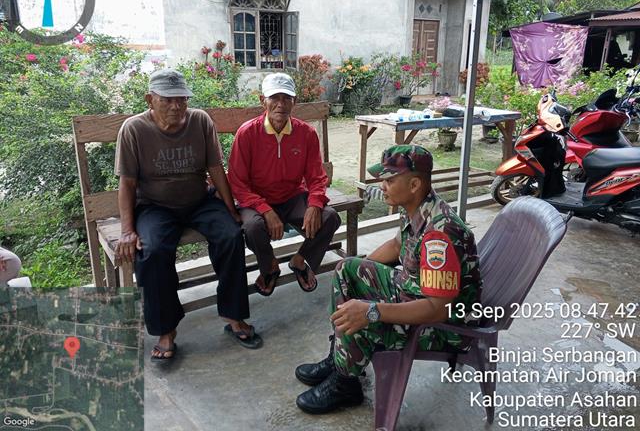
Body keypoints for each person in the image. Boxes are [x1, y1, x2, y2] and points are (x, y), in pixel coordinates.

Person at [294, 145, 482, 414]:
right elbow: (397, 245)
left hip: (444, 328)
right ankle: (341, 359)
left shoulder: (439, 235)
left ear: (414, 184)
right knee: (347, 270)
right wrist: (358, 275)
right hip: (414, 292)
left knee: (362, 314)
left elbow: (438, 309)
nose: (382, 186)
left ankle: (345, 384)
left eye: (390, 180)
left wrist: (373, 310)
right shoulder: (416, 206)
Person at [115, 69, 261, 359]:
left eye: (181, 99)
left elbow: (216, 169)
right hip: (155, 206)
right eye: (167, 100)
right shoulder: (133, 129)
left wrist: (230, 209)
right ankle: (166, 330)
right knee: (152, 251)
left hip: (199, 200)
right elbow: (127, 183)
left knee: (231, 235)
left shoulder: (200, 121)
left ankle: (233, 315)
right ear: (150, 99)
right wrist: (127, 231)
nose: (176, 106)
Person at [228, 73, 340, 297]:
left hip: (292, 196)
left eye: (287, 98)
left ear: (294, 102)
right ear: (263, 101)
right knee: (252, 228)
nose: (281, 104)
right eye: (274, 98)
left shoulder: (306, 133)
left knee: (330, 217)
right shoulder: (247, 133)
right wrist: (265, 209)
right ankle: (269, 264)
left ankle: (300, 260)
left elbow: (316, 176)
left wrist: (315, 204)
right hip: (256, 200)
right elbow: (237, 182)